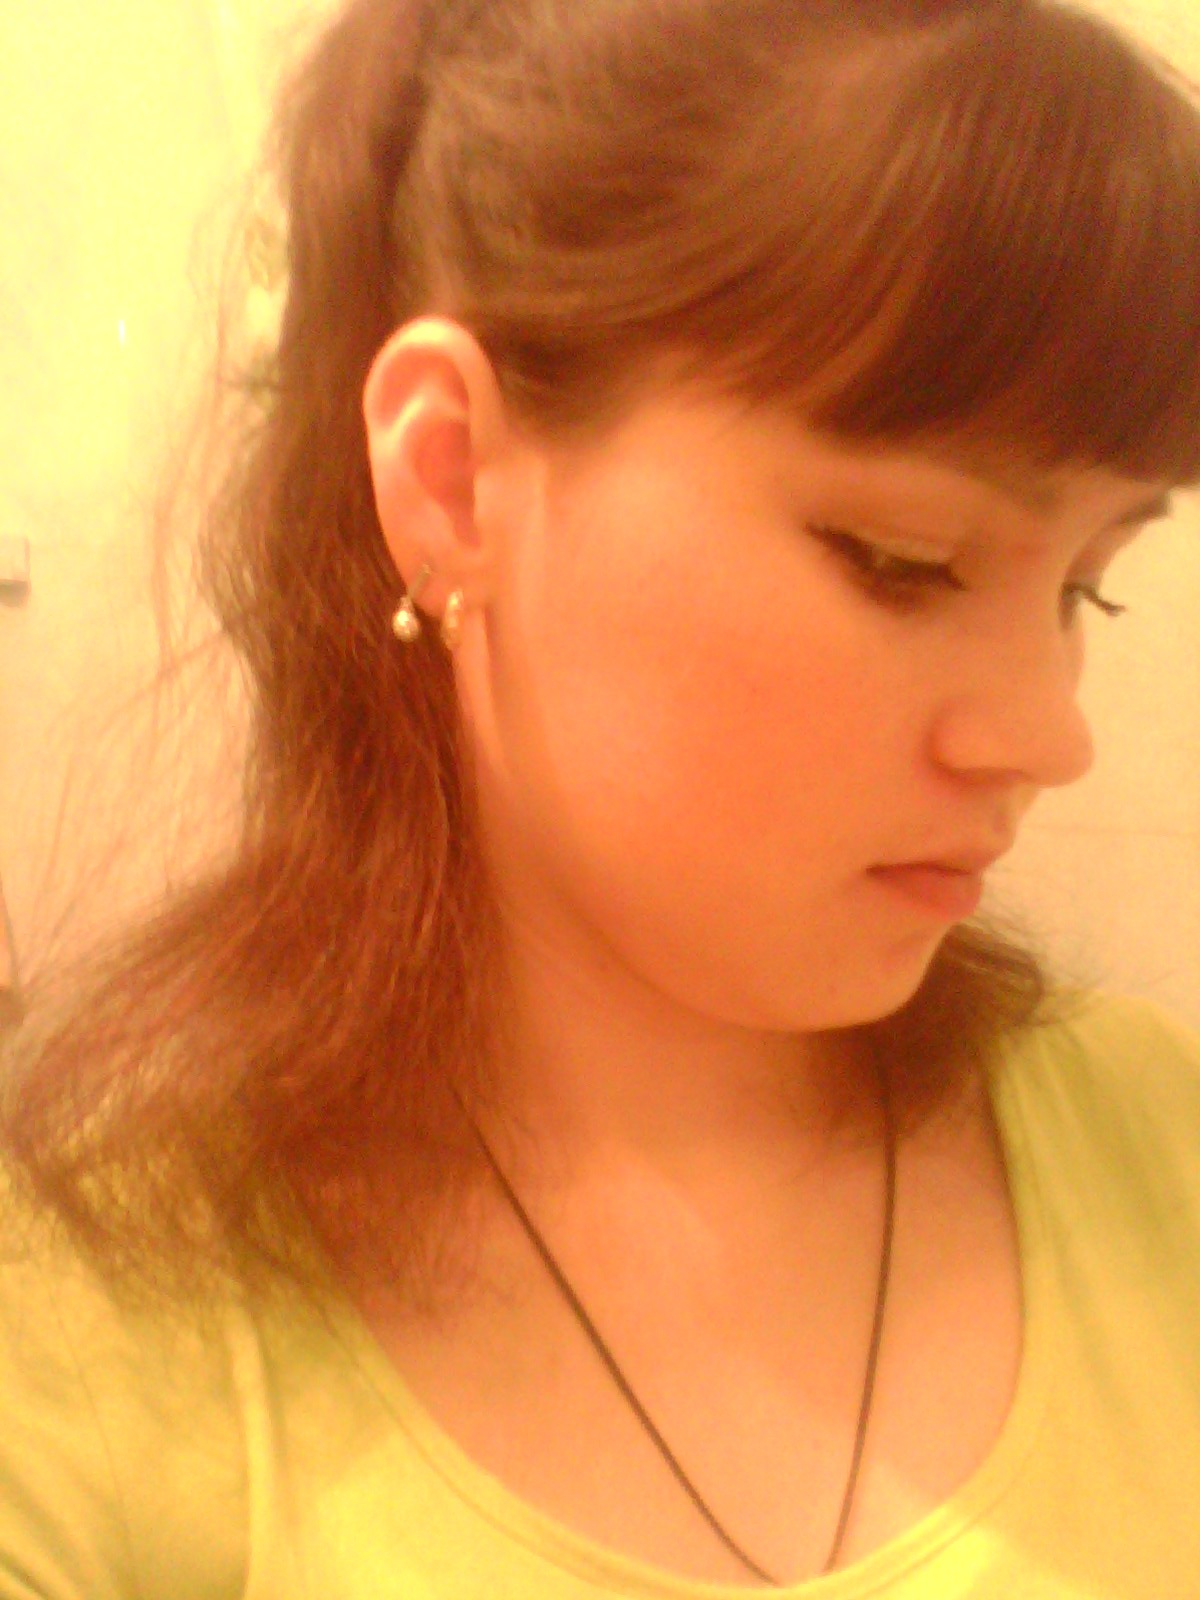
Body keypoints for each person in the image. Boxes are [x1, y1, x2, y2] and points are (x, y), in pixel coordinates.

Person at [2, 0, 1199, 1593]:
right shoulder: (89, 1332)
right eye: (904, 560)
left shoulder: (1159, 1146)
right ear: (452, 479)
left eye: (1087, 584)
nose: (1050, 734)